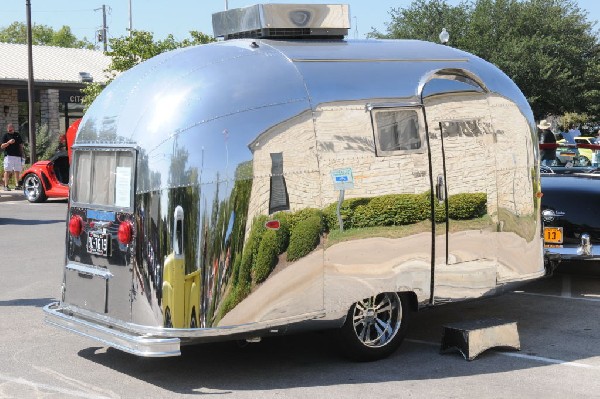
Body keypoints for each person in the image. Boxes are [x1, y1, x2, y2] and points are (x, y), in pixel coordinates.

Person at [1, 123, 24, 191]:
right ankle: (6, 186)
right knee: (7, 170)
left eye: (11, 129)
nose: (10, 131)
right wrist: (8, 142)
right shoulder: (5, 135)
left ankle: (17, 185)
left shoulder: (17, 135)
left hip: (17, 155)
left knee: (17, 170)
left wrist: (22, 154)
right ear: (7, 129)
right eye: (8, 130)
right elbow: (2, 146)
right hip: (9, 156)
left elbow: (20, 145)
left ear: (13, 128)